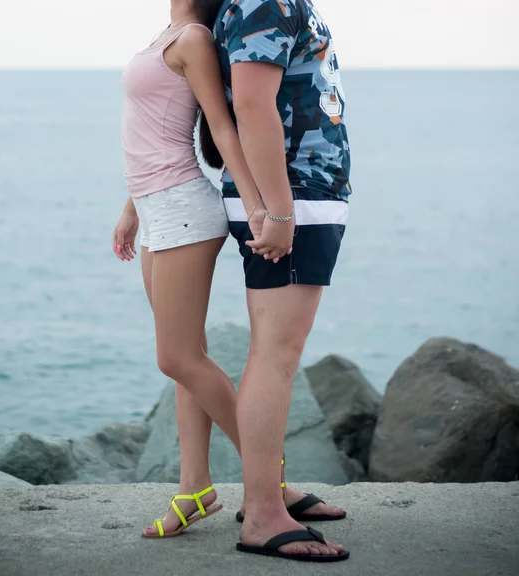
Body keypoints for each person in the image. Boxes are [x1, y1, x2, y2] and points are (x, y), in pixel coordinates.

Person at [113, 0, 347, 562]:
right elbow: (157, 129)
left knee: (176, 358)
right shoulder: (177, 31)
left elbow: (225, 123)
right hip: (157, 205)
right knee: (186, 356)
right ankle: (196, 486)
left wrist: (264, 206)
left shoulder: (196, 33)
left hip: (185, 206)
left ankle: (269, 484)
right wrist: (131, 207)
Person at [207, 0, 352, 563]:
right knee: (276, 356)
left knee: (272, 353)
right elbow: (249, 103)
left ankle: (267, 496)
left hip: (297, 198)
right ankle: (265, 515)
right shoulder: (262, 0)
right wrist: (280, 211)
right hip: (293, 200)